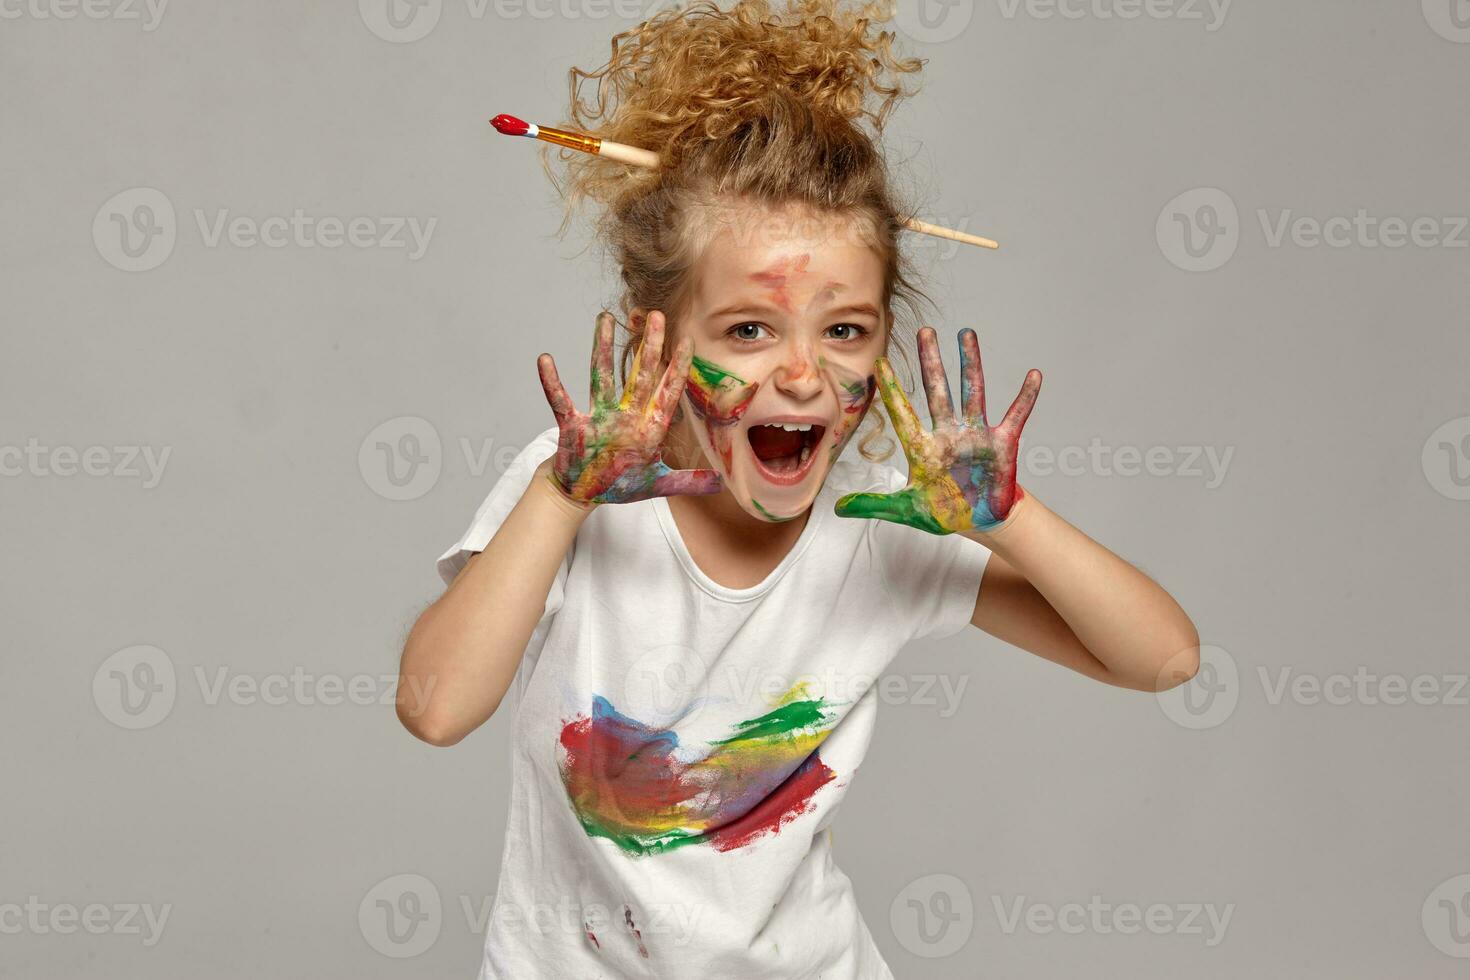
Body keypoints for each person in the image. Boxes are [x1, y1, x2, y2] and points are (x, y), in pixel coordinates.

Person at [395, 1, 1200, 976]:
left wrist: (1009, 519)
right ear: (660, 333)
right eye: (749, 329)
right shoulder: (582, 488)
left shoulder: (878, 520)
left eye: (845, 329)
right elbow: (435, 706)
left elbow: (1161, 658)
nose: (805, 372)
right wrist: (559, 500)